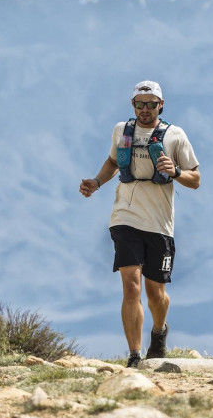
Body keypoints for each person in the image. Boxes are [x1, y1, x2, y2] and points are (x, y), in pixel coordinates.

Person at [79, 80, 200, 368]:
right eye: (139, 104)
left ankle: (159, 332)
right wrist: (96, 182)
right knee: (131, 286)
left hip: (159, 222)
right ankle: (134, 356)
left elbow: (195, 179)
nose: (145, 109)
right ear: (132, 105)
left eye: (151, 104)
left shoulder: (175, 135)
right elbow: (112, 161)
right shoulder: (122, 131)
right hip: (125, 215)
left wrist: (177, 171)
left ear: (161, 105)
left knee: (155, 293)